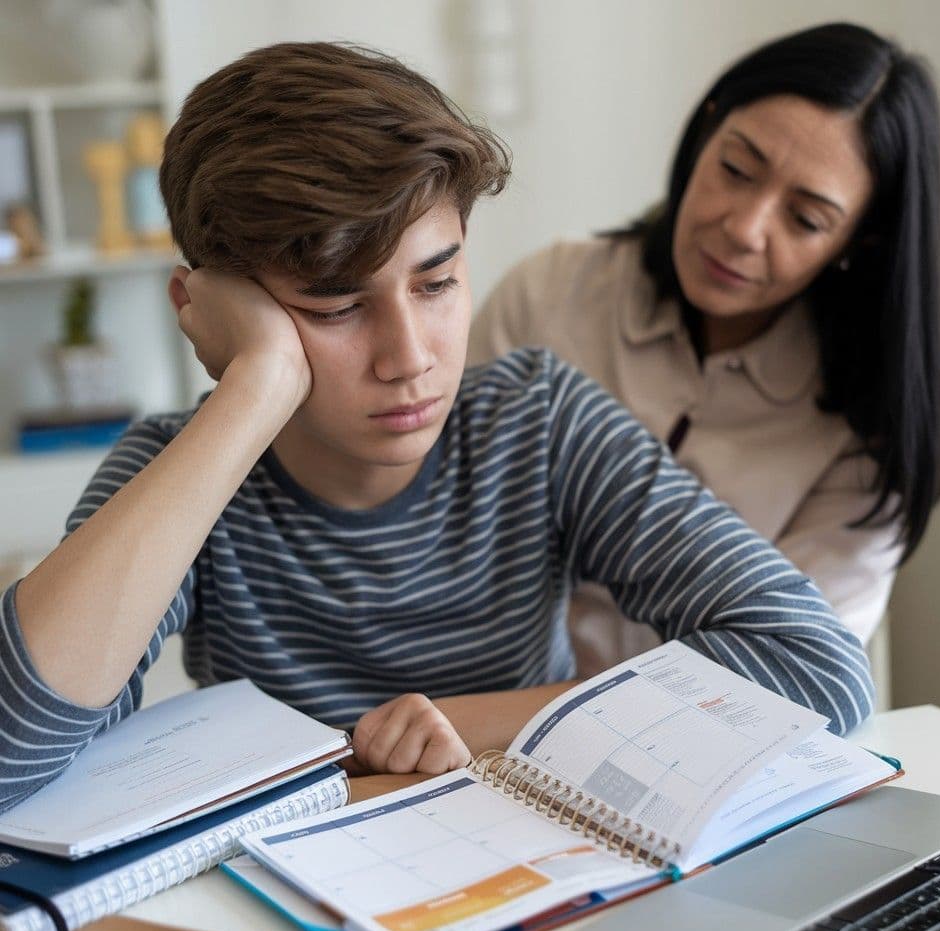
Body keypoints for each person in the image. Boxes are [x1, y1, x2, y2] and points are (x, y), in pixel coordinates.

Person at [0, 42, 874, 814]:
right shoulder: (180, 471)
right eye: (337, 306)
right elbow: (12, 754)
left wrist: (461, 724)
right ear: (215, 310)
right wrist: (253, 388)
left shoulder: (538, 421)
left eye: (436, 283)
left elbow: (818, 671)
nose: (409, 357)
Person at [470, 22, 940, 679]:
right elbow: (441, 546)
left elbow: (791, 668)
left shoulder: (867, 428)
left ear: (859, 243)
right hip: (476, 733)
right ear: (705, 129)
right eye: (735, 169)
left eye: (805, 220)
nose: (744, 229)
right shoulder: (550, 293)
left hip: (715, 756)